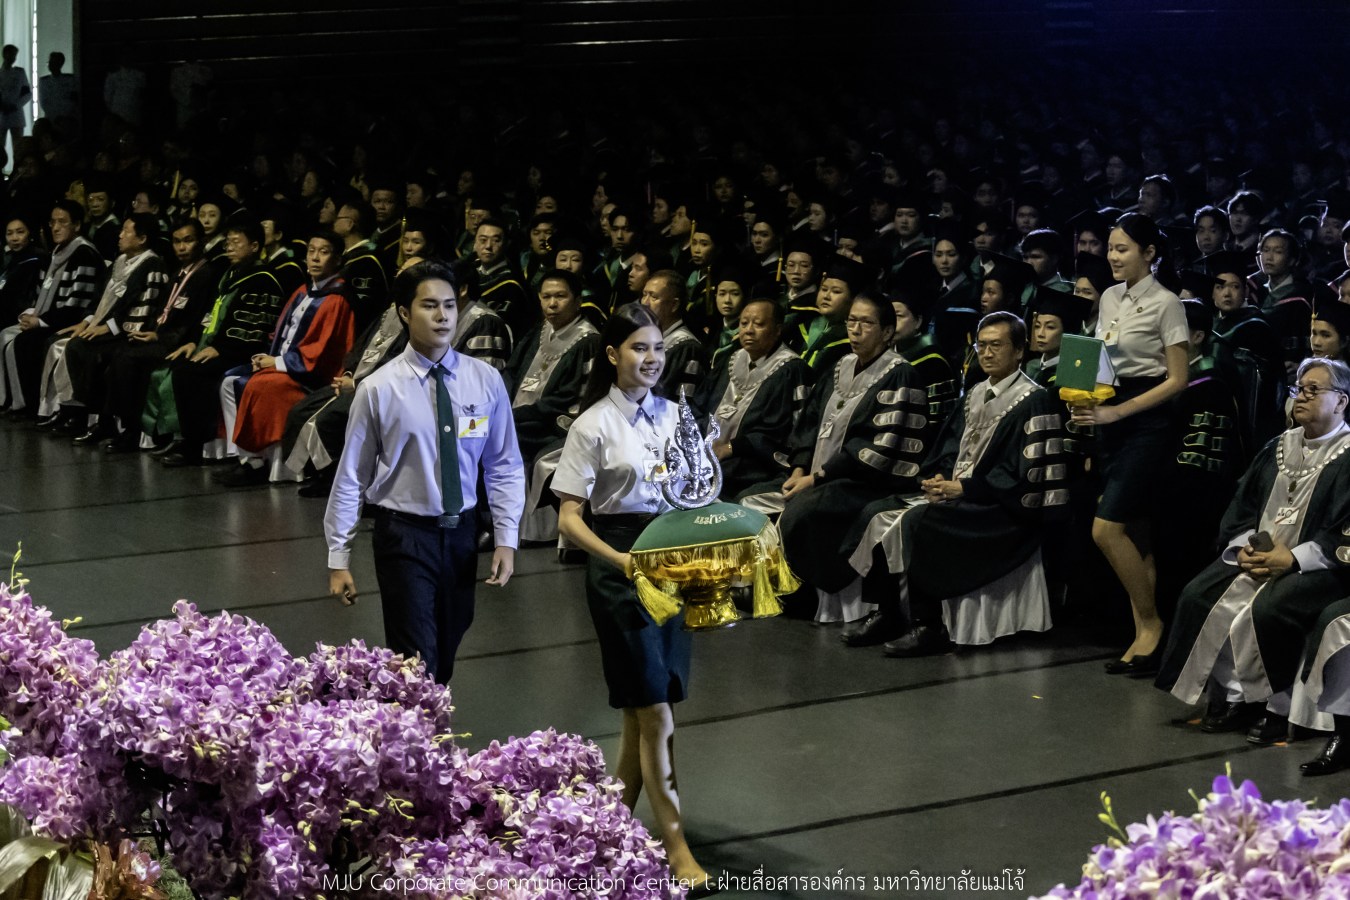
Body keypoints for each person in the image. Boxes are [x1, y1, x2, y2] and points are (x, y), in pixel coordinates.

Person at [552, 302, 711, 892]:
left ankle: (608, 831)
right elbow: (569, 518)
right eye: (639, 348)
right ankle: (676, 847)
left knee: (641, 709)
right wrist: (620, 560)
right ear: (612, 354)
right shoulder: (591, 424)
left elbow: (694, 491)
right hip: (619, 569)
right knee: (655, 710)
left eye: (659, 349)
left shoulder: (676, 415)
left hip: (670, 562)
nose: (651, 359)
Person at [325, 260, 524, 684]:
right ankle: (421, 724)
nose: (442, 316)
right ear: (404, 312)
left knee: (446, 651)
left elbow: (504, 464)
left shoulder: (485, 380)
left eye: (449, 306)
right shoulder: (378, 388)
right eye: (429, 305)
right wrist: (338, 556)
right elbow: (351, 476)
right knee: (416, 658)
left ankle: (424, 720)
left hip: (462, 536)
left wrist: (506, 538)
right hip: (404, 535)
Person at [843, 311, 1068, 654]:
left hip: (999, 508)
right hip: (960, 495)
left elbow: (1025, 475)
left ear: (1020, 350)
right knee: (876, 512)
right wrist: (937, 479)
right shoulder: (974, 393)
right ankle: (887, 612)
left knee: (918, 522)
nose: (987, 353)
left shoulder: (1035, 400)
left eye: (997, 345)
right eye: (982, 345)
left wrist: (965, 488)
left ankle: (930, 624)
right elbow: (949, 447)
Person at [1155, 358, 1350, 741]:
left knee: (1265, 609)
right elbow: (1242, 507)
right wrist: (1244, 547)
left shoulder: (1347, 456)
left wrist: (1292, 558)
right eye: (1298, 388)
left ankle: (1272, 706)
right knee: (1199, 595)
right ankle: (1232, 697)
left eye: (1314, 390)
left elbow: (1342, 531)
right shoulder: (1277, 447)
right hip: (1260, 556)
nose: (1301, 396)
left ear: (1341, 402)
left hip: (1321, 568)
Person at [1071, 213, 1189, 676]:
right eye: (1110, 248)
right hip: (1109, 414)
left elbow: (1178, 380)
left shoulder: (1167, 303)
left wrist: (1120, 412)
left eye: (1122, 249)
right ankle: (1143, 635)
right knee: (1135, 533)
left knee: (1106, 529)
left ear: (1149, 253)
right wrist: (1083, 397)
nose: (1113, 256)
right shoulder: (1108, 297)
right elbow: (1099, 357)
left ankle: (1154, 623)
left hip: (1147, 420)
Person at [217, 231, 356, 486]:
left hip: (312, 376)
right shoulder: (303, 291)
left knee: (258, 385)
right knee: (229, 380)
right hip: (285, 364)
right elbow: (280, 333)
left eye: (323, 252)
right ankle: (246, 458)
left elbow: (322, 352)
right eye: (311, 251)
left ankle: (256, 464)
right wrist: (267, 357)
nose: (315, 258)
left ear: (337, 260)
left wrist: (277, 363)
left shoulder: (337, 299)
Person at [694, 297, 810, 500]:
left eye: (758, 324)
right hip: (710, 452)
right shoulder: (728, 360)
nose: (748, 330)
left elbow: (779, 431)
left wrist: (732, 447)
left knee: (714, 481)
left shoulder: (791, 370)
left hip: (755, 463)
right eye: (744, 323)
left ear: (777, 329)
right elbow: (699, 405)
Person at [0, 45, 31, 161]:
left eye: (15, 55)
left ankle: (17, 168)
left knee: (18, 148)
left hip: (16, 114)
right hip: (1, 114)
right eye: (12, 54)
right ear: (4, 54)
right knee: (0, 148)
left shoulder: (19, 73)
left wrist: (15, 106)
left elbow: (27, 94)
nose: (14, 58)